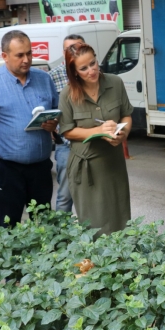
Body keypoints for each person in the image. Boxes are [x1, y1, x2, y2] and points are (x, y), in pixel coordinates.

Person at [0, 30, 59, 227]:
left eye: (29, 53)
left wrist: (53, 125)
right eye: (20, 55)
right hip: (7, 169)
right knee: (7, 225)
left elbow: (55, 115)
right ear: (4, 56)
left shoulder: (43, 79)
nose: (27, 59)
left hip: (40, 168)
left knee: (44, 225)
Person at [58, 42, 133, 235]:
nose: (91, 71)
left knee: (120, 218)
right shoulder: (68, 94)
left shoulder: (115, 82)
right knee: (94, 225)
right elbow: (67, 131)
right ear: (74, 72)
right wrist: (98, 130)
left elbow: (126, 115)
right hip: (86, 166)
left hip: (113, 162)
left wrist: (122, 134)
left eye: (93, 63)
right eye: (83, 68)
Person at [48, 34, 85, 213]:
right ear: (63, 52)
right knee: (65, 195)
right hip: (66, 146)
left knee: (91, 194)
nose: (73, 51)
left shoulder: (91, 73)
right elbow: (49, 108)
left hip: (91, 143)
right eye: (69, 48)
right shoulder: (52, 76)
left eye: (78, 47)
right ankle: (62, 239)